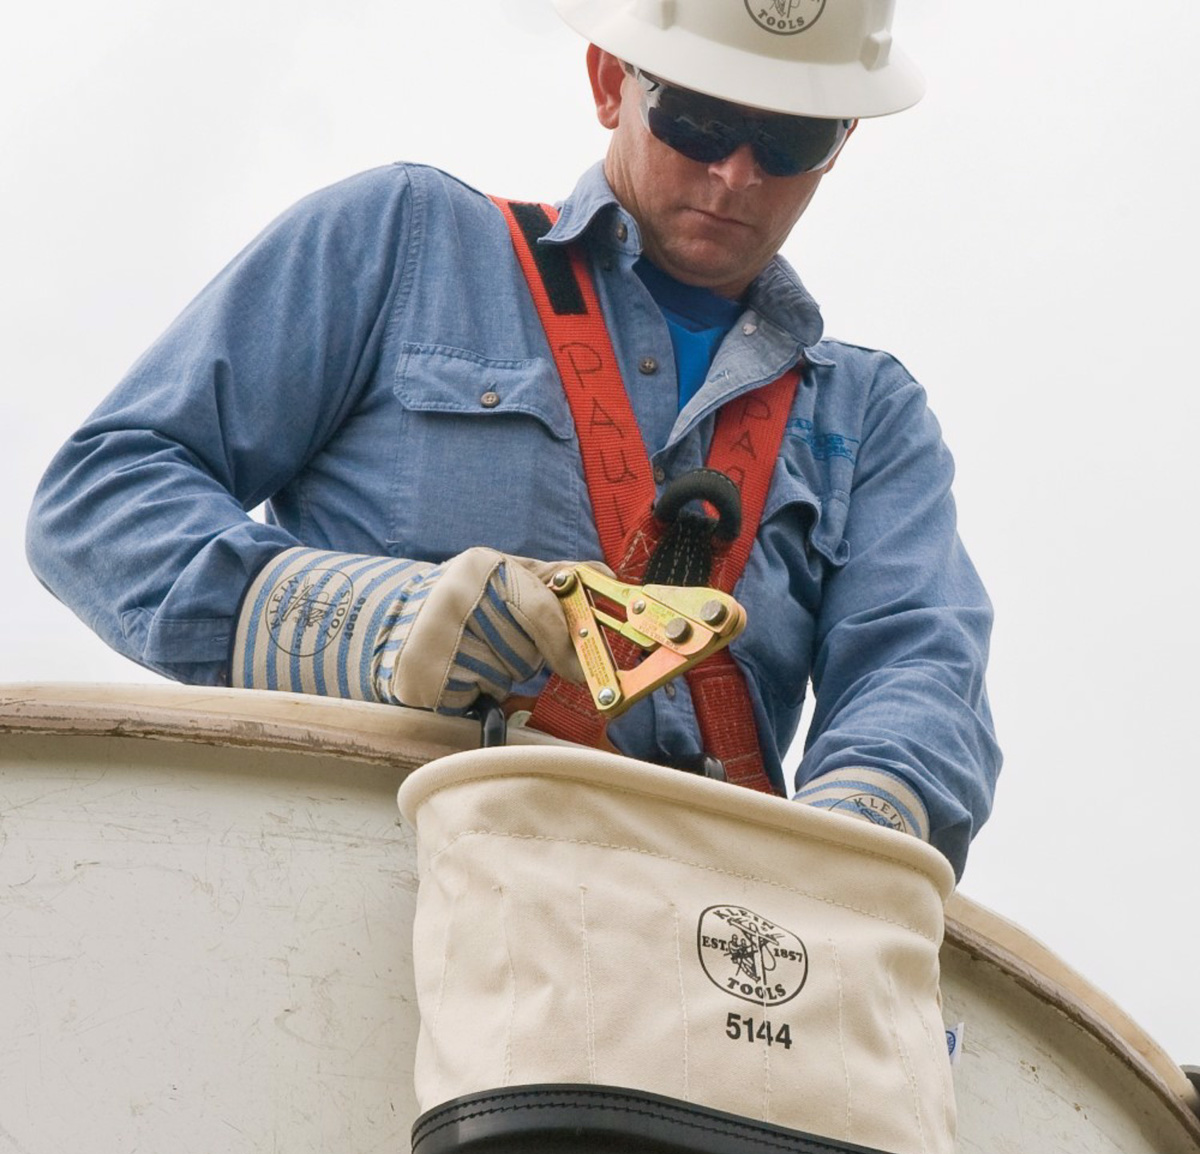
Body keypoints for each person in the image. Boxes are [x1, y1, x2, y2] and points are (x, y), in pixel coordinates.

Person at [26, 0, 1000, 876]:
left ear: (841, 143)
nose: (735, 173)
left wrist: (851, 847)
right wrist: (381, 622)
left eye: (788, 139)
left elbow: (920, 670)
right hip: (374, 881)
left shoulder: (867, 416)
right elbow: (101, 504)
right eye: (699, 120)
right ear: (611, 81)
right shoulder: (404, 243)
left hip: (698, 939)